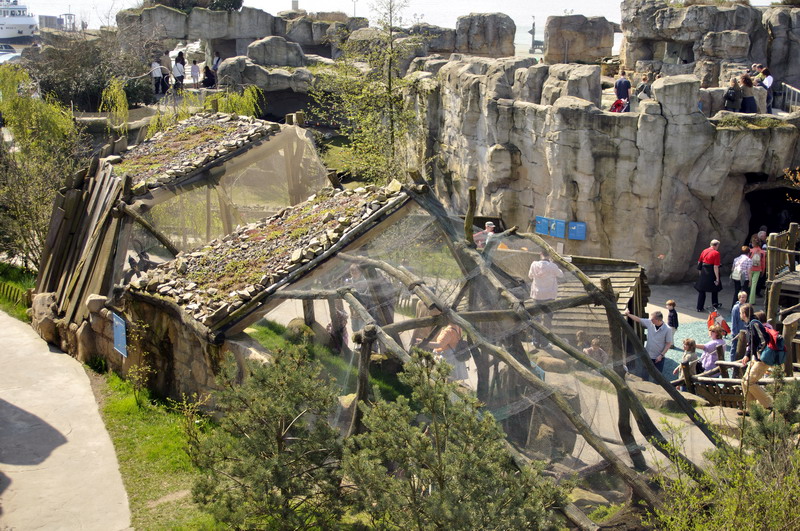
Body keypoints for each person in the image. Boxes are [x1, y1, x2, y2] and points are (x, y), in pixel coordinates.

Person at [739, 302, 774, 414]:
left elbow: (763, 340)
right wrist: (747, 355)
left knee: (749, 382)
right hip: (755, 358)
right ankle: (751, 409)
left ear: (744, 314)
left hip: (761, 358)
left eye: (740, 312)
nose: (740, 314)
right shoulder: (750, 324)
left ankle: (770, 404)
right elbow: (751, 343)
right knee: (744, 381)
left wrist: (758, 353)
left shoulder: (754, 324)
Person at [624, 309, 673, 381]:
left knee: (658, 377)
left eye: (652, 319)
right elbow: (638, 319)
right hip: (648, 356)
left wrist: (661, 355)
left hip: (658, 358)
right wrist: (628, 314)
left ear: (657, 320)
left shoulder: (667, 329)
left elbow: (668, 344)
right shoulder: (650, 323)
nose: (650, 320)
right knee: (644, 375)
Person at [528, 251, 564, 348]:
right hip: (549, 295)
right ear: (549, 256)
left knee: (536, 318)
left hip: (536, 295)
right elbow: (561, 274)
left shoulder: (534, 264)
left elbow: (530, 276)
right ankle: (544, 343)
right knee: (547, 320)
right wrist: (552, 264)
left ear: (540, 254)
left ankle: (535, 342)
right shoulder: (552, 266)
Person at [695, 239, 722, 312]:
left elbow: (699, 262)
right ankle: (715, 304)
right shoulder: (716, 253)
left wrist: (700, 273)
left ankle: (699, 307)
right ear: (716, 245)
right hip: (711, 272)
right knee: (715, 288)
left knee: (702, 290)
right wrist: (717, 278)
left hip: (704, 271)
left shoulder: (704, 251)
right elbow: (716, 266)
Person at [730, 291, 748, 361]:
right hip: (737, 332)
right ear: (739, 298)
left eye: (745, 297)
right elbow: (734, 321)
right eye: (742, 297)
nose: (743, 299)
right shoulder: (736, 308)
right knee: (734, 348)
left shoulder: (746, 306)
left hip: (744, 331)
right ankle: (732, 362)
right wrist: (735, 333)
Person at [748, 234, 765, 304]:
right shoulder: (762, 252)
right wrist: (763, 271)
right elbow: (763, 262)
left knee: (749, 283)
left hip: (750, 269)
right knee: (754, 285)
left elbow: (748, 260)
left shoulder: (750, 251)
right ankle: (752, 300)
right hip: (758, 269)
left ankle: (745, 298)